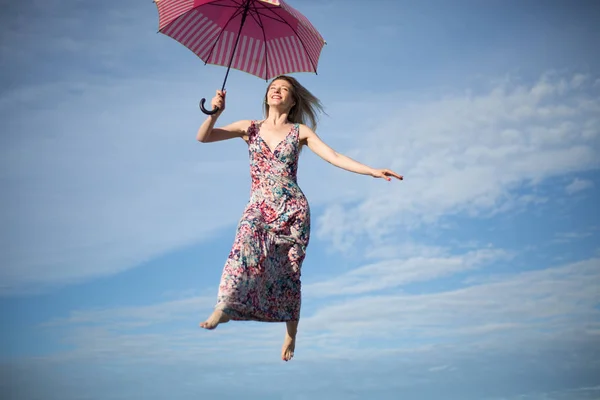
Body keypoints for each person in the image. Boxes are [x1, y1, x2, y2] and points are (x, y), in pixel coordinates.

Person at [196, 75, 403, 362]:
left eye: (284, 89)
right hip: (260, 204)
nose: (276, 91)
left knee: (289, 272)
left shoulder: (299, 131)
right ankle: (225, 305)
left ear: (293, 100)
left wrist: (372, 171)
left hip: (292, 209)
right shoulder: (249, 128)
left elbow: (334, 155)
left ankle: (291, 333)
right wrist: (215, 113)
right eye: (272, 88)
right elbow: (204, 136)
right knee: (245, 240)